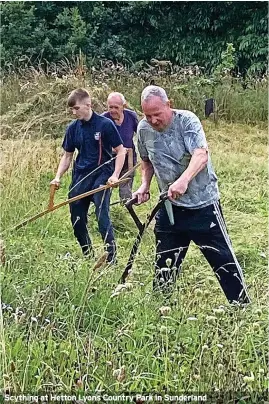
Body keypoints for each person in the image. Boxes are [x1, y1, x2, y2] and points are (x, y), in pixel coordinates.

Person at [133, 85, 250, 304]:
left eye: (157, 114)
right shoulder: (143, 129)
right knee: (164, 265)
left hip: (203, 207)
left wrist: (183, 181)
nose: (153, 120)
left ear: (169, 105)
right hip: (170, 209)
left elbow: (200, 155)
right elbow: (147, 161)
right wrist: (144, 186)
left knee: (223, 261)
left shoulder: (187, 121)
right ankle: (161, 309)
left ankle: (241, 308)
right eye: (147, 115)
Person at [50, 88, 126, 263]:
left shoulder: (105, 124)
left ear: (88, 105)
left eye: (76, 108)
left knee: (102, 218)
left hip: (102, 175)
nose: (73, 112)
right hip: (80, 177)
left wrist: (115, 175)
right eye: (72, 109)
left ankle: (111, 259)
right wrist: (58, 176)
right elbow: (67, 155)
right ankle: (88, 255)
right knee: (77, 220)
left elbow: (121, 150)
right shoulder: (72, 129)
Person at [102, 92, 138, 201]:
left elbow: (140, 134)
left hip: (129, 158)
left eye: (116, 107)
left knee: (126, 186)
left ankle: (125, 206)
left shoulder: (131, 116)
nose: (113, 110)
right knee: (106, 185)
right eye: (110, 107)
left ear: (124, 106)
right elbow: (98, 143)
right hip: (110, 158)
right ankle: (103, 207)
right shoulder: (103, 119)